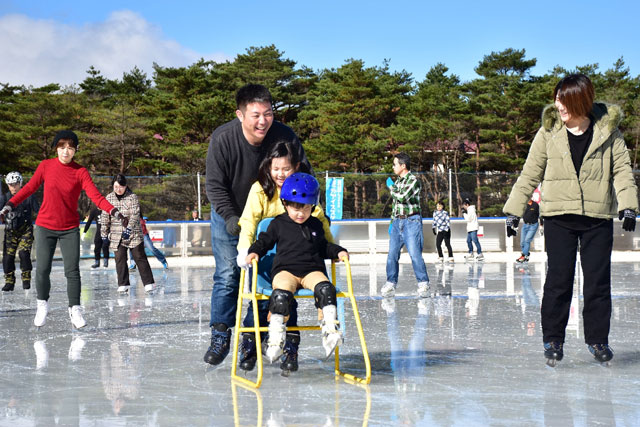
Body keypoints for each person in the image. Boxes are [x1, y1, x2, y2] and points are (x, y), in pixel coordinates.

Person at [503, 74, 638, 365]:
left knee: (597, 283)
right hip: (559, 218)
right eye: (557, 99)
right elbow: (530, 173)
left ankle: (598, 340)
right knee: (558, 280)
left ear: (580, 101)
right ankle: (553, 338)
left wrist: (628, 205)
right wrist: (514, 210)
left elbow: (623, 172)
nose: (558, 105)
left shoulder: (608, 132)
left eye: (563, 100)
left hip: (597, 216)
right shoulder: (548, 131)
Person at [204, 83, 311, 366]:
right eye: (255, 114)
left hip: (275, 217)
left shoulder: (284, 136)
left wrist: (303, 215)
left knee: (270, 276)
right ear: (240, 115)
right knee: (228, 275)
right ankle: (221, 333)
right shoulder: (223, 139)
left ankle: (256, 337)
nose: (263, 121)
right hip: (231, 215)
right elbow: (214, 186)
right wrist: (230, 217)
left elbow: (305, 176)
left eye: (268, 113)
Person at [0, 130, 129, 328]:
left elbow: (96, 197)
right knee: (42, 269)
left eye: (70, 148)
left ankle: (75, 309)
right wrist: (10, 205)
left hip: (69, 228)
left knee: (73, 271)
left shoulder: (80, 172)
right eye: (62, 147)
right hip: (45, 226)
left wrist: (115, 211)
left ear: (76, 150)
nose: (65, 152)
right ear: (56, 149)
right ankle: (42, 305)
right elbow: (28, 189)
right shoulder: (46, 166)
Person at [236, 141, 332, 372]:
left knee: (289, 305)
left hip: (294, 261)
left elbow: (320, 223)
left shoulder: (304, 189)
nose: (280, 174)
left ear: (296, 167)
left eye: (286, 169)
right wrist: (245, 249)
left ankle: (291, 350)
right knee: (257, 306)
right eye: (275, 168)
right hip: (264, 258)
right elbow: (249, 221)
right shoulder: (260, 189)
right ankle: (250, 348)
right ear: (268, 167)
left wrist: (333, 248)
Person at [246, 173, 348, 361]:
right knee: (281, 296)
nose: (301, 213)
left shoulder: (315, 224)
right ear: (285, 203)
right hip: (285, 271)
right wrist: (254, 251)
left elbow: (324, 246)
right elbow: (264, 241)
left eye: (307, 208)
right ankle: (275, 337)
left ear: (313, 207)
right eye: (296, 207)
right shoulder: (278, 224)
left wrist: (338, 251)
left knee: (326, 289)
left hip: (311, 270)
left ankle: (330, 330)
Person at [381, 153, 430, 298]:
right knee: (392, 255)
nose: (393, 167)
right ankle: (391, 282)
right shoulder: (398, 182)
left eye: (395, 164)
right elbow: (395, 206)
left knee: (415, 254)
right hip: (397, 221)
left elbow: (401, 197)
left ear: (403, 166)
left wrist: (391, 188)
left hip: (411, 221)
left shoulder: (414, 180)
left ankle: (423, 283)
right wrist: (392, 223)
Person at [101, 174, 155, 294]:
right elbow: (105, 216)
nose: (118, 189)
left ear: (125, 186)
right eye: (116, 186)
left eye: (121, 186)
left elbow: (135, 214)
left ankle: (148, 283)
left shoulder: (132, 197)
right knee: (119, 258)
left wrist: (129, 229)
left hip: (133, 233)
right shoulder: (109, 198)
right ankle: (123, 284)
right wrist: (104, 232)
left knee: (139, 256)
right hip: (116, 234)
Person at [0, 172, 39, 291]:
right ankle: (9, 281)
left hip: (25, 230)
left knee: (23, 254)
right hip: (10, 232)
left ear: (20, 184)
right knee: (7, 257)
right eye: (10, 185)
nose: (13, 187)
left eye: (16, 184)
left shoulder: (29, 197)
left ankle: (26, 278)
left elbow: (39, 211)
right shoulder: (4, 198)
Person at [515, 198, 542, 263]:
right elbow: (518, 215)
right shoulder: (523, 205)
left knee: (527, 241)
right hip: (525, 225)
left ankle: (523, 256)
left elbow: (540, 215)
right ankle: (527, 254)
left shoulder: (535, 205)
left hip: (533, 225)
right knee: (522, 243)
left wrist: (541, 225)